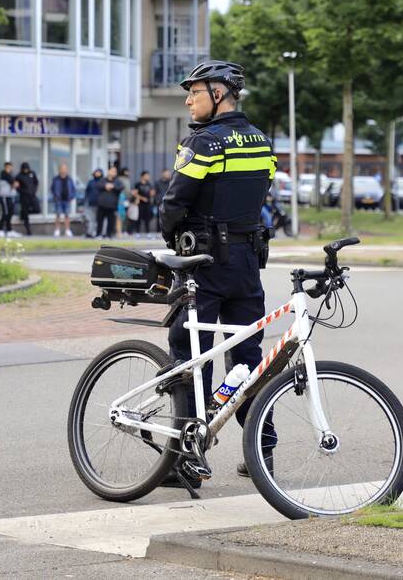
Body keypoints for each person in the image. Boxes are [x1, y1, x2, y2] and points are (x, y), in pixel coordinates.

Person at [159, 60, 276, 486]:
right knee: (248, 355)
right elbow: (261, 191)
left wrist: (174, 240)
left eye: (195, 91)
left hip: (203, 264)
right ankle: (262, 451)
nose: (189, 100)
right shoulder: (262, 142)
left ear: (219, 93)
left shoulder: (204, 142)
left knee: (190, 354)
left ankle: (186, 459)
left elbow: (173, 205)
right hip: (247, 264)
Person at [96, 166, 122, 239]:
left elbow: (121, 187)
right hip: (102, 204)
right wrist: (105, 186)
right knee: (100, 220)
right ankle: (99, 234)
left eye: (115, 171)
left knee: (111, 221)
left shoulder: (117, 181)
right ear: (108, 171)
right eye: (112, 171)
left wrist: (113, 186)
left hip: (112, 205)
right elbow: (98, 185)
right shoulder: (103, 180)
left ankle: (109, 234)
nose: (114, 173)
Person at [51, 163, 76, 238]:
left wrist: (71, 197)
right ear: (59, 169)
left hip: (67, 200)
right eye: (62, 168)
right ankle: (57, 230)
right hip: (58, 200)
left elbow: (73, 189)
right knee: (58, 215)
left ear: (66, 170)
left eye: (65, 169)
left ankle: (67, 230)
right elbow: (52, 188)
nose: (63, 170)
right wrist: (55, 196)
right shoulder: (56, 179)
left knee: (67, 216)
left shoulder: (69, 179)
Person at [15, 161, 39, 236]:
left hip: (32, 195)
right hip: (24, 197)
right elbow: (17, 187)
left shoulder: (32, 173)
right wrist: (23, 191)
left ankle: (22, 214)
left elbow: (36, 182)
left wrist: (34, 190)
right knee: (25, 214)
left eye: (27, 169)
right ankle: (28, 230)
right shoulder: (19, 176)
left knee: (37, 209)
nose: (26, 170)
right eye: (24, 169)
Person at [0, 162, 19, 237]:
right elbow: (14, 183)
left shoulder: (10, 175)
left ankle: (9, 230)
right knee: (5, 213)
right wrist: (14, 184)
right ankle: (0, 229)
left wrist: (14, 184)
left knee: (10, 213)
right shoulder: (4, 174)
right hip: (4, 197)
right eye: (8, 167)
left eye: (10, 167)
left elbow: (16, 184)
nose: (9, 169)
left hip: (10, 197)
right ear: (5, 167)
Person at [133, 170, 156, 237]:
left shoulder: (149, 184)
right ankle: (137, 232)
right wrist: (142, 198)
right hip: (140, 204)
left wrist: (152, 193)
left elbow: (151, 193)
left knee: (147, 218)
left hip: (148, 204)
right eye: (146, 175)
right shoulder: (138, 184)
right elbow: (135, 193)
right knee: (139, 218)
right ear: (142, 176)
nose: (148, 177)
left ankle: (148, 232)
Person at [83, 168, 104, 238]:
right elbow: (87, 191)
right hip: (91, 203)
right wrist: (86, 200)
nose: (97, 174)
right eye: (96, 172)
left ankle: (99, 232)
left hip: (100, 204)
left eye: (99, 172)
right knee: (91, 219)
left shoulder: (103, 182)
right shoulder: (91, 182)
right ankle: (90, 232)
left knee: (99, 219)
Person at [154, 168, 172, 234]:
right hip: (160, 202)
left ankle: (167, 231)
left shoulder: (171, 182)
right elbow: (155, 192)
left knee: (168, 217)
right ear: (163, 174)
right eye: (166, 173)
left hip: (169, 202)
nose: (168, 175)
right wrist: (156, 200)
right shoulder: (157, 183)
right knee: (159, 217)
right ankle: (158, 231)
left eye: (169, 173)